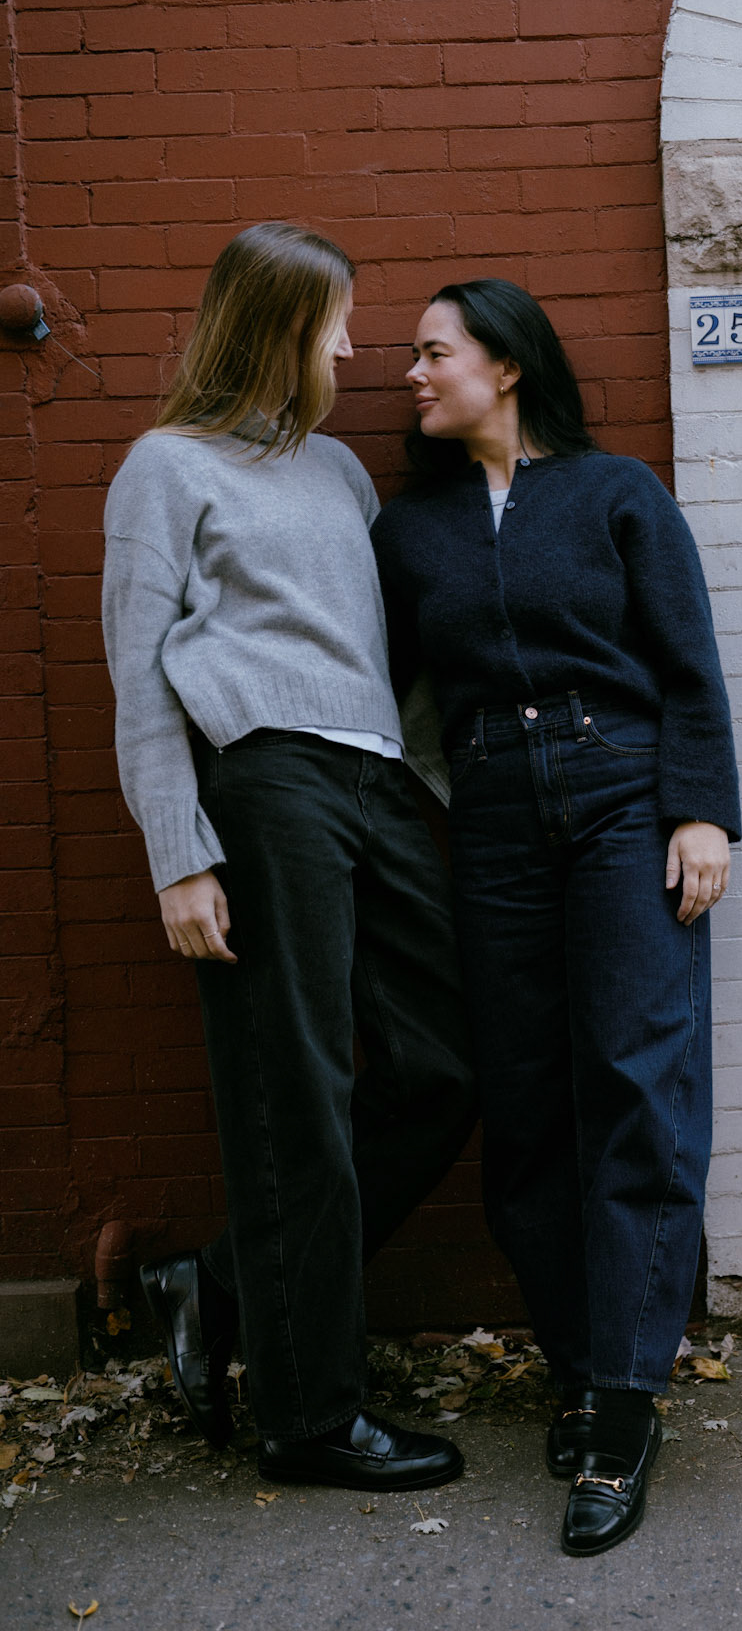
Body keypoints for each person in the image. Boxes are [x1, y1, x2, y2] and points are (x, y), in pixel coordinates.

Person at [101, 222, 477, 1493]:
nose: (352, 346)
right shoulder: (164, 467)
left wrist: (439, 790)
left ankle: (214, 1281)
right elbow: (140, 678)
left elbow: (373, 658)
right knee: (295, 1087)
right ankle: (309, 1415)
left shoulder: (338, 477)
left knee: (441, 1061)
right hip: (261, 782)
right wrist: (178, 855)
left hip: (371, 779)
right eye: (334, 323)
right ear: (275, 325)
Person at [370, 278, 741, 1557]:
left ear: (508, 365)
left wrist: (700, 811)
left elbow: (691, 666)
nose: (410, 373)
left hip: (623, 800)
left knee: (638, 1079)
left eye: (433, 351)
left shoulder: (618, 493)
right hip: (489, 818)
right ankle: (582, 1366)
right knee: (525, 1101)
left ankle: (628, 1402)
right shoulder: (408, 530)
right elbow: (378, 686)